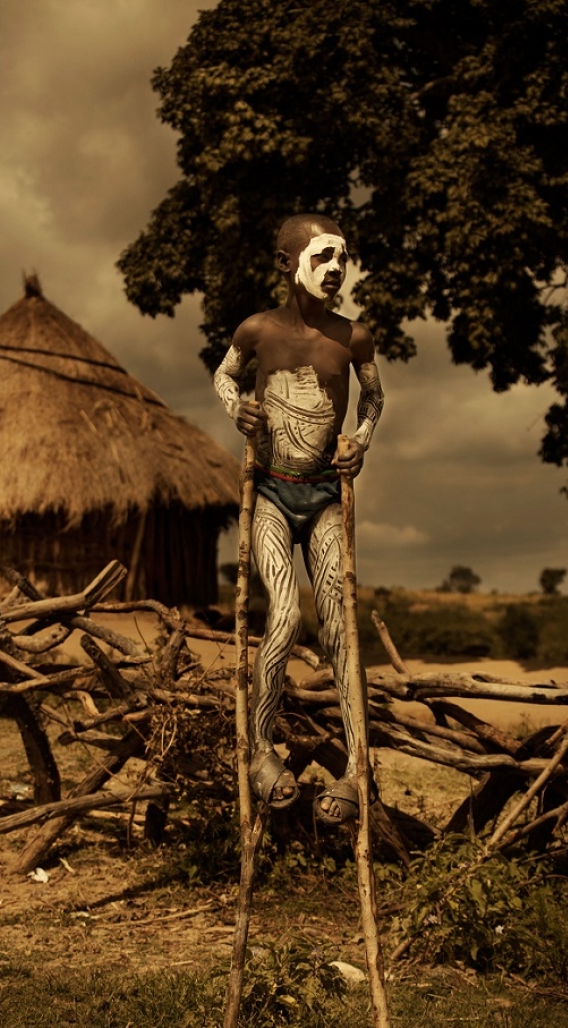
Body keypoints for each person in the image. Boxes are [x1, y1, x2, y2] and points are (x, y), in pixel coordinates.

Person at [213, 213, 384, 822]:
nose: (335, 269)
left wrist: (359, 439)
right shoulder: (256, 330)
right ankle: (260, 749)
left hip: (324, 498)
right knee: (283, 613)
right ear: (287, 264)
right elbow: (223, 375)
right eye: (322, 258)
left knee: (340, 624)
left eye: (343, 258)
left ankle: (360, 762)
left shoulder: (353, 338)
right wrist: (238, 411)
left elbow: (375, 397)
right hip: (272, 497)